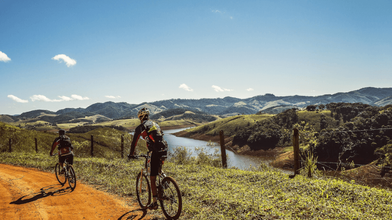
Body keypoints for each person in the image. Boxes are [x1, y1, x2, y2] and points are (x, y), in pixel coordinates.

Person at [128, 107, 168, 210]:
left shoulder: (140, 127)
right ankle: (165, 181)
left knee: (152, 177)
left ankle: (154, 203)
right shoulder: (155, 124)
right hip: (164, 149)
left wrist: (131, 154)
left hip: (154, 152)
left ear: (140, 117)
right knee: (158, 170)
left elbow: (134, 143)